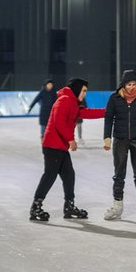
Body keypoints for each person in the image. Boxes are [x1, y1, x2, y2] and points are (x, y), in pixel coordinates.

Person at [29, 78, 105, 222]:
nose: (84, 94)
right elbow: (59, 123)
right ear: (76, 89)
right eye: (83, 91)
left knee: (69, 175)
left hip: (60, 146)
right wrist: (71, 139)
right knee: (50, 175)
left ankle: (69, 206)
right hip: (53, 145)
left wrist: (108, 112)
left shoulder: (74, 103)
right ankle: (35, 208)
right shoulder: (64, 100)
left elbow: (87, 113)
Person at [103, 70, 136, 221]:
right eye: (129, 84)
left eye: (134, 84)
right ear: (123, 84)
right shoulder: (114, 98)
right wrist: (107, 137)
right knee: (119, 173)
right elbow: (108, 118)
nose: (132, 87)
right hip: (120, 139)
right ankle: (117, 206)